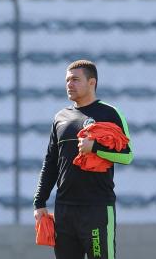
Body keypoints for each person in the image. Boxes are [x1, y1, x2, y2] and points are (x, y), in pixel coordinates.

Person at [33, 60, 133, 259]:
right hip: (64, 211)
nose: (69, 84)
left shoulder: (109, 113)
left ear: (92, 82)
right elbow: (51, 163)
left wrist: (95, 148)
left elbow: (127, 156)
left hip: (96, 209)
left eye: (75, 79)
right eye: (67, 80)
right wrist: (39, 201)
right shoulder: (60, 117)